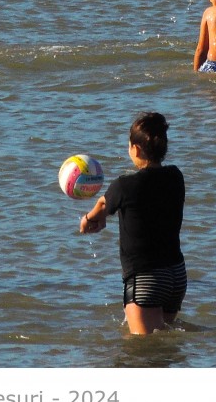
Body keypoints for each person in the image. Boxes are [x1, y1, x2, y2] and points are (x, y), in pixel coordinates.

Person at [79, 112, 186, 335]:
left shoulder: (124, 186)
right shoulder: (176, 176)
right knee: (164, 346)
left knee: (142, 355)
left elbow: (103, 202)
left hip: (146, 279)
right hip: (175, 276)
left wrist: (88, 220)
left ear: (135, 149)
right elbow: (109, 202)